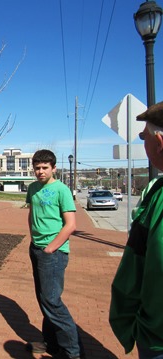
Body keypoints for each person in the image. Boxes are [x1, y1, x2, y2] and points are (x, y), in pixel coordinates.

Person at [110, 101, 163, 359]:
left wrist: (143, 324)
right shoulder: (156, 189)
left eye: (144, 136)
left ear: (159, 142)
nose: (143, 143)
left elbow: (157, 266)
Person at [25, 149, 82, 359]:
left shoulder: (61, 190)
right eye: (37, 168)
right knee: (44, 299)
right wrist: (34, 239)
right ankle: (51, 343)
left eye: (44, 168)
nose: (40, 172)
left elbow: (71, 225)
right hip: (36, 248)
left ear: (53, 168)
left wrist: (50, 248)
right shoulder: (32, 188)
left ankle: (73, 352)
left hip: (54, 253)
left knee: (52, 301)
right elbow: (32, 215)